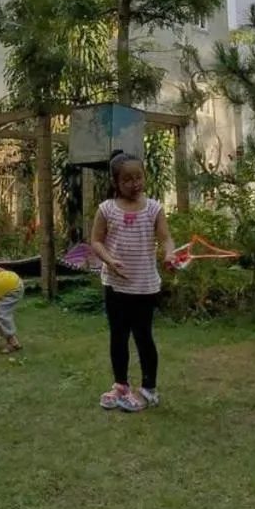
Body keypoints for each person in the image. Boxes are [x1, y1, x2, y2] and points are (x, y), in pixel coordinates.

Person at [90, 149, 176, 412]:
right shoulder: (106, 209)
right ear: (116, 182)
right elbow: (96, 241)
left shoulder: (153, 208)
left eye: (138, 177)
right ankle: (121, 385)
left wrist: (170, 253)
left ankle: (149, 389)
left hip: (145, 285)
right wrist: (109, 261)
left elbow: (165, 238)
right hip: (115, 286)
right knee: (118, 336)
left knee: (143, 336)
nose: (135, 183)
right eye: (127, 179)